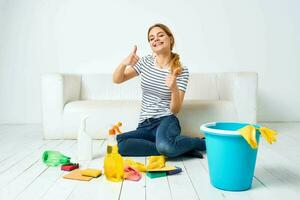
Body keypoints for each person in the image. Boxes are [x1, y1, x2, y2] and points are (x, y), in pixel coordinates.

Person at [112, 23, 206, 158]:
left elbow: (175, 110)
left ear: (170, 39)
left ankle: (199, 143)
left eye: (160, 35)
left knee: (164, 146)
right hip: (145, 125)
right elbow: (117, 79)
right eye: (151, 38)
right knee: (121, 144)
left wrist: (173, 88)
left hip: (166, 121)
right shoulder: (145, 62)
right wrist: (124, 63)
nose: (155, 39)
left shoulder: (180, 71)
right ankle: (177, 148)